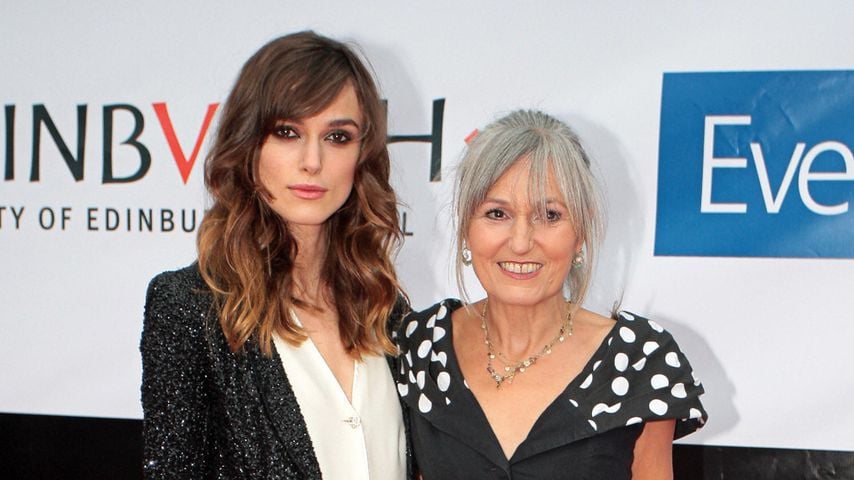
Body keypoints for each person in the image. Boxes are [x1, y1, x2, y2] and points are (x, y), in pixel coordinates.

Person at [141, 31, 410, 479]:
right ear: (249, 145)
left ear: (362, 155)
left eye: (338, 136)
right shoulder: (191, 308)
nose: (312, 160)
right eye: (287, 132)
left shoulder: (385, 308)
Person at [396, 110, 706, 479]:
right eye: (497, 213)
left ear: (581, 232)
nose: (522, 242)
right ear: (465, 227)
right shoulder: (420, 349)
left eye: (549, 215)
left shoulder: (638, 362)